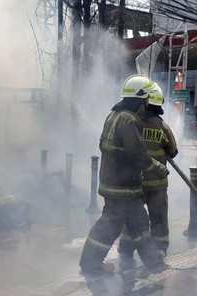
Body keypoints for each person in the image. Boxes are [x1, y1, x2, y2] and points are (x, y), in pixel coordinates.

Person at [79, 74, 169, 276]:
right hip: (124, 186)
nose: (146, 105)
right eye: (146, 100)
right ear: (140, 100)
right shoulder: (129, 120)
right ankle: (91, 262)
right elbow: (138, 153)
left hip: (112, 183)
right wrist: (157, 167)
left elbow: (103, 145)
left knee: (129, 222)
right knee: (120, 224)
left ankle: (150, 261)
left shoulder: (113, 116)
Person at [117, 85, 178, 269]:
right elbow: (173, 151)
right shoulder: (162, 126)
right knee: (158, 217)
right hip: (157, 183)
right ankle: (159, 249)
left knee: (133, 216)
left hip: (136, 183)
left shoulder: (133, 124)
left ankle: (126, 248)